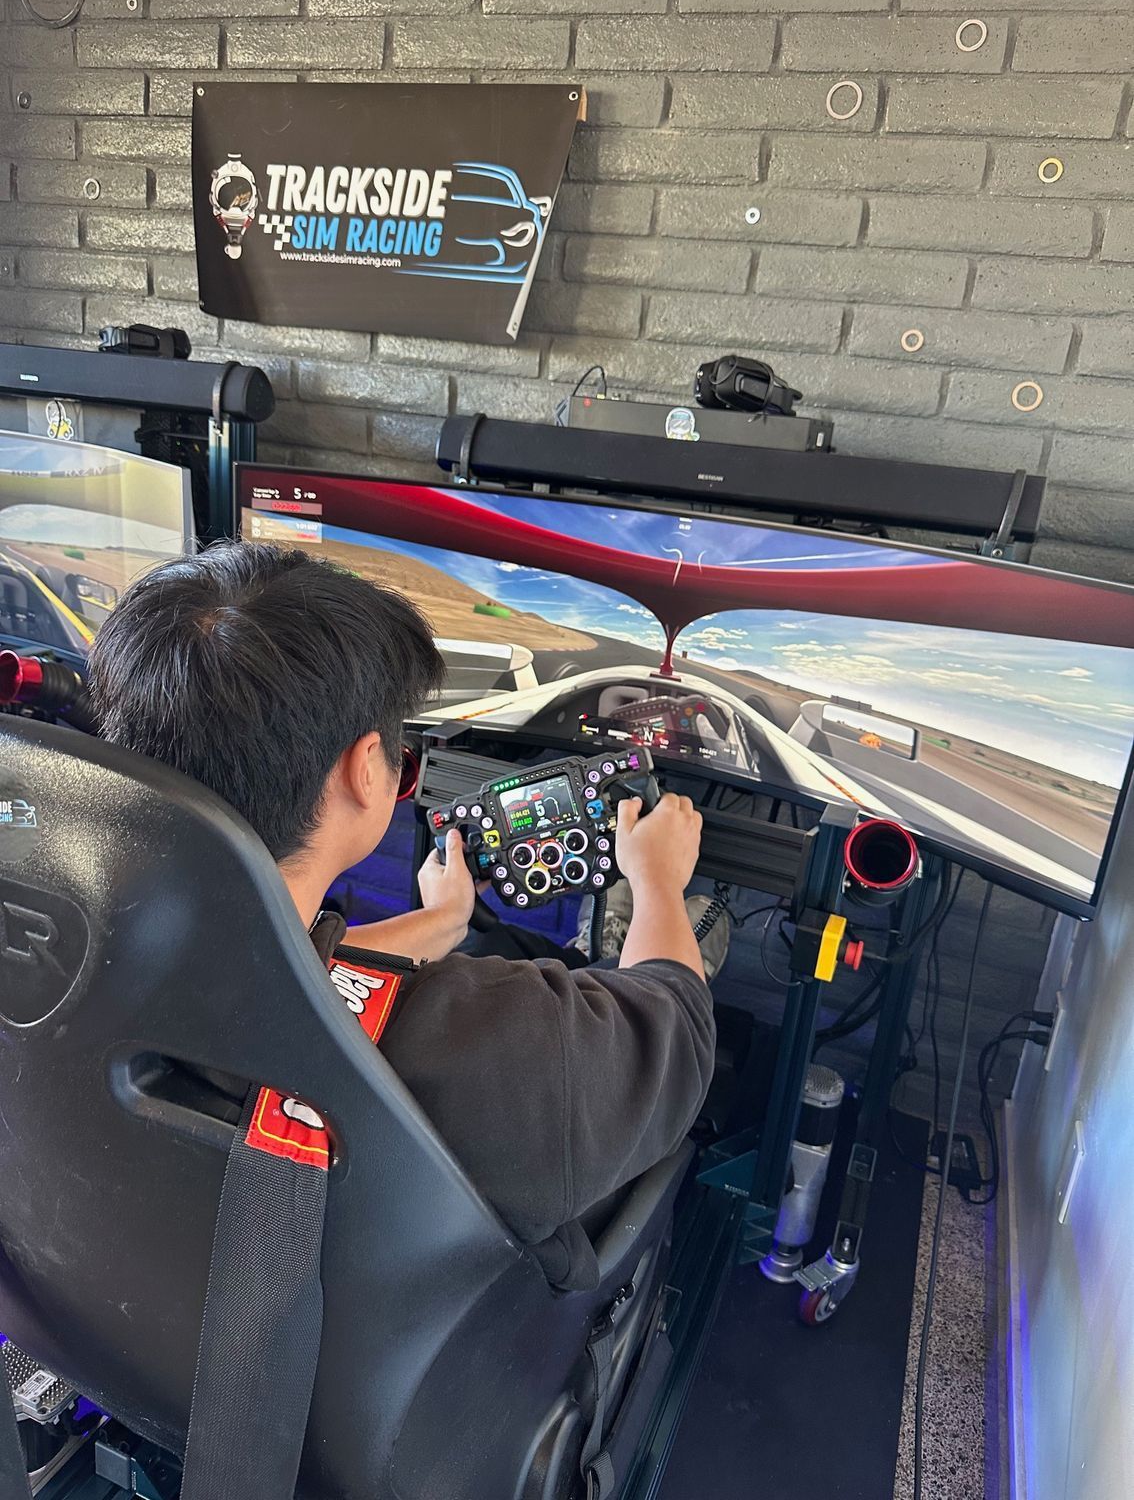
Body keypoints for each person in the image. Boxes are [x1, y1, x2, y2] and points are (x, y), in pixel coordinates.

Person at [87, 540, 720, 1287]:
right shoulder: (508, 1051)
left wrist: (441, 924)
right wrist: (656, 885)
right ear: (364, 772)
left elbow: (301, 964)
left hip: (151, 1313)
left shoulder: (62, 945)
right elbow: (673, 1028)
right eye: (402, 752)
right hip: (430, 1365)